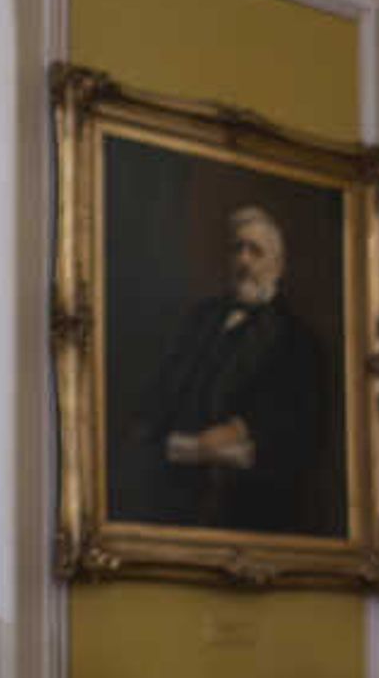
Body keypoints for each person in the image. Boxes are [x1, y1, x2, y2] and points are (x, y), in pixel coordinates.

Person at [121, 203, 328, 533]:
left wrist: (241, 429)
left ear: (278, 265)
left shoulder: (297, 340)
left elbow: (297, 424)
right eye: (237, 249)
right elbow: (163, 388)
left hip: (246, 500)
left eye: (256, 251)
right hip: (177, 483)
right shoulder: (199, 319)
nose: (244, 260)